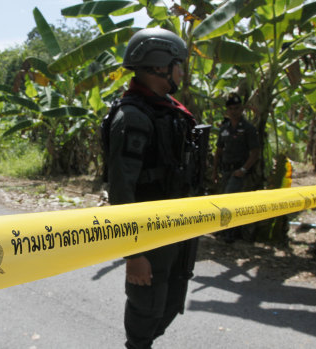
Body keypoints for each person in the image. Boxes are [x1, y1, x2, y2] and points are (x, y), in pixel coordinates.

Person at [106, 28, 198, 349]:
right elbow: (121, 192)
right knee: (147, 309)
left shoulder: (167, 110)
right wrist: (134, 254)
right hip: (148, 234)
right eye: (178, 64)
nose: (181, 71)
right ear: (160, 65)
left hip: (175, 226)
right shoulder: (132, 117)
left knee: (171, 300)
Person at [212, 93, 260, 242]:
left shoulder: (248, 129)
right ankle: (226, 230)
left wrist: (243, 170)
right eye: (231, 108)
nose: (234, 111)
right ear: (227, 110)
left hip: (238, 171)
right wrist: (214, 172)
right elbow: (218, 152)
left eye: (237, 108)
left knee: (230, 200)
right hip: (225, 170)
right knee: (225, 200)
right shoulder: (224, 128)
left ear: (241, 109)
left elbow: (255, 153)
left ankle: (230, 233)